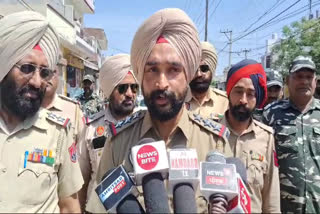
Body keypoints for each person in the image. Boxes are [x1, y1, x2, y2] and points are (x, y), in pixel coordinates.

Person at [85, 8, 232, 213]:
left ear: (188, 75)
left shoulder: (215, 143)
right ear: (141, 76)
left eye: (173, 70)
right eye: (152, 70)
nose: (162, 83)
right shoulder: (118, 142)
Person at [0, 11, 83, 213]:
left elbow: (69, 207)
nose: (37, 82)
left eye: (44, 72)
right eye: (27, 68)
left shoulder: (58, 132)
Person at [217, 59, 280, 213]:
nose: (243, 100)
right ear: (229, 91)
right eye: (238, 91)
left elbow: (271, 198)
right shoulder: (209, 131)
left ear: (257, 98)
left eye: (250, 94)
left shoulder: (266, 137)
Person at [77, 54, 139, 210]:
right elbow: (80, 182)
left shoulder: (145, 125)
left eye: (134, 87)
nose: (130, 93)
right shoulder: (90, 128)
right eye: (123, 88)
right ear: (110, 91)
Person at [262, 56, 320, 213]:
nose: (304, 82)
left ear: (316, 81)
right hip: (282, 207)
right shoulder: (271, 114)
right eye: (299, 77)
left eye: (309, 77)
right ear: (288, 80)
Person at [42, 59, 85, 145]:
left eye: (52, 72)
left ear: (58, 74)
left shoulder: (73, 110)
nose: (48, 77)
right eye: (44, 72)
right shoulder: (25, 108)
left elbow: (83, 148)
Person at [186, 41, 228, 120]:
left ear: (212, 72)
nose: (198, 74)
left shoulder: (225, 102)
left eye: (204, 69)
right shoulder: (177, 100)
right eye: (194, 69)